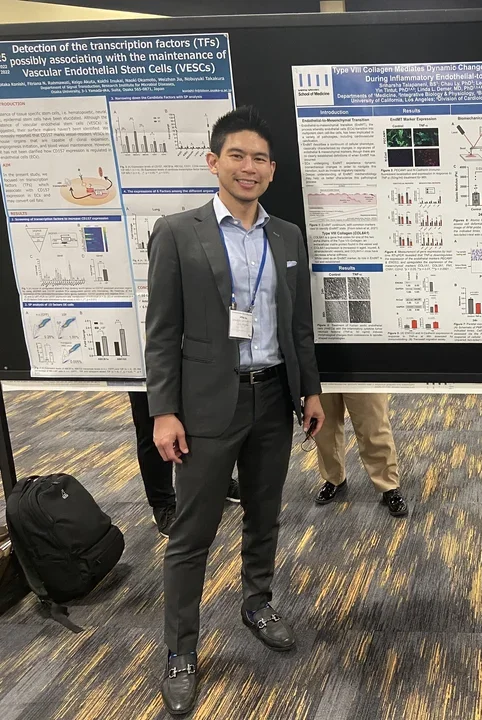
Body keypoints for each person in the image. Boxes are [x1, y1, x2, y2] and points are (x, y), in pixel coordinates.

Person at [145, 106, 324, 716]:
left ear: (273, 171)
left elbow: (299, 326)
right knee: (191, 535)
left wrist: (313, 392)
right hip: (203, 407)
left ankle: (256, 603)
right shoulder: (177, 232)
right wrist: (163, 411)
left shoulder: (287, 236)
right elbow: (162, 333)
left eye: (260, 159)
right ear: (214, 161)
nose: (249, 168)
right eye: (238, 156)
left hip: (274, 398)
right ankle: (181, 651)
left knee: (265, 515)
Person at [127, 391, 240, 539]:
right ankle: (162, 504)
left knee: (204, 418)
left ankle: (219, 482)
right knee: (153, 428)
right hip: (145, 373)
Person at [312, 393, 408, 517]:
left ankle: (388, 485)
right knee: (325, 426)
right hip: (321, 375)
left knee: (373, 425)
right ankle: (333, 478)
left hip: (361, 374)